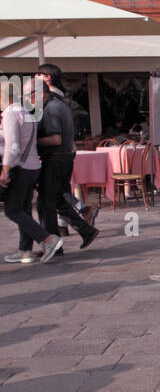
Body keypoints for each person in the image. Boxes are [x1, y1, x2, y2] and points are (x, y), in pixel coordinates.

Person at [22, 70, 99, 256]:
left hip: (57, 158)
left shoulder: (51, 109)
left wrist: (31, 140)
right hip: (63, 157)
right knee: (55, 199)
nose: (26, 100)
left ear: (39, 93)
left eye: (28, 96)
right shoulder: (57, 105)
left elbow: (55, 139)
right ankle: (85, 231)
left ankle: (54, 244)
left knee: (45, 203)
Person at [0, 81, 62, 264]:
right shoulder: (25, 111)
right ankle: (24, 249)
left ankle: (48, 240)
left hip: (21, 167)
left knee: (12, 210)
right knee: (23, 208)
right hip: (32, 166)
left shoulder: (11, 113)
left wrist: (5, 169)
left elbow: (13, 145)